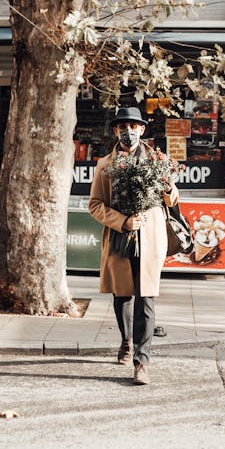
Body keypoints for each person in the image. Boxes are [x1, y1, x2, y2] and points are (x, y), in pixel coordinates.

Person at [88, 107, 179, 385]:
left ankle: (142, 361)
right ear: (116, 131)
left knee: (146, 297)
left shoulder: (157, 160)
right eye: (122, 126)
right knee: (123, 296)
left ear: (142, 129)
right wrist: (121, 221)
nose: (128, 131)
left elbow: (173, 199)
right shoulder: (105, 164)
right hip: (120, 236)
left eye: (133, 126)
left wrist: (166, 186)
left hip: (150, 237)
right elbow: (95, 205)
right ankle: (126, 341)